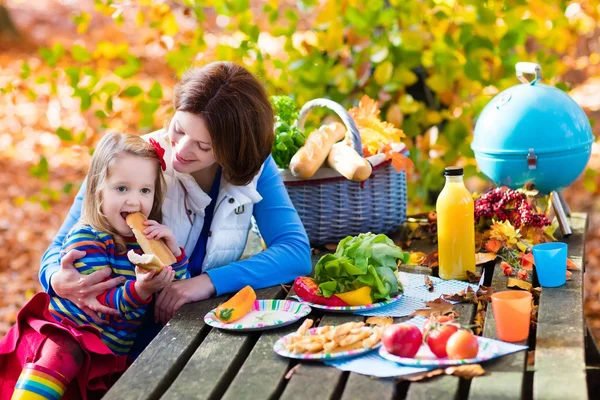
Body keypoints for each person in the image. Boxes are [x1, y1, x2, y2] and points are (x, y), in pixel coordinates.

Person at [39, 61, 312, 357]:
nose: (181, 150)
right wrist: (56, 278)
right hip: (117, 332)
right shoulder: (133, 161)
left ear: (233, 149)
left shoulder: (254, 166)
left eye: (204, 146)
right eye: (179, 129)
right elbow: (57, 248)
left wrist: (207, 283)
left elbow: (294, 252)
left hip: (200, 327)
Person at [0, 132, 189, 399]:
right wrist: (141, 290)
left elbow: (177, 287)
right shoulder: (88, 237)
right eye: (122, 188)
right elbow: (98, 301)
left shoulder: (143, 242)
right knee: (59, 358)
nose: (134, 200)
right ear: (99, 191)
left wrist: (174, 255)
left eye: (144, 190)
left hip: (108, 354)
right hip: (73, 334)